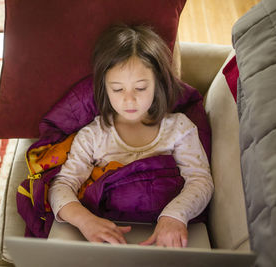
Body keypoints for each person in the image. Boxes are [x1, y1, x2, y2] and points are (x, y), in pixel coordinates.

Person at [48, 24, 213, 248]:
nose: (129, 100)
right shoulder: (93, 136)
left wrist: (174, 216)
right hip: (106, 237)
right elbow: (62, 185)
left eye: (141, 87)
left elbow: (200, 179)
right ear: (104, 88)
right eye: (117, 89)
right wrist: (86, 221)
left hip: (168, 233)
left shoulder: (179, 128)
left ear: (158, 84)